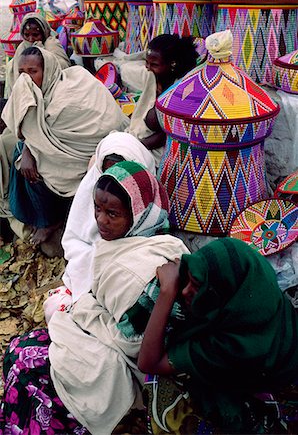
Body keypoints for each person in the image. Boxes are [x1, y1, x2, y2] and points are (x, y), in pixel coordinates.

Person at [0, 161, 189, 434]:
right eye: (98, 209)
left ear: (138, 214)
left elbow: (135, 343)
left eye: (113, 213)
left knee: (29, 371)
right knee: (18, 348)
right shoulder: (143, 241)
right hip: (98, 339)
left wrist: (85, 313)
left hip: (122, 369)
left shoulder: (138, 270)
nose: (101, 220)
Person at [138, 238, 298, 434]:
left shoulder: (233, 345)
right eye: (189, 279)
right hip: (278, 358)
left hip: (276, 385)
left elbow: (149, 363)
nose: (186, 290)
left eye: (198, 286)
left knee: (161, 386)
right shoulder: (255, 288)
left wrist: (166, 291)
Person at [1, 46, 129, 245]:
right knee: (22, 155)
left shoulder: (70, 90)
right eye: (21, 72)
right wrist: (28, 150)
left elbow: (104, 124)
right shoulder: (35, 95)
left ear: (49, 70)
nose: (26, 78)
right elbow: (32, 133)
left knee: (32, 162)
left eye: (33, 72)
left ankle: (51, 221)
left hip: (90, 156)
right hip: (64, 153)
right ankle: (43, 219)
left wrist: (30, 150)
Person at [43, 131, 156, 322]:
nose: (114, 177)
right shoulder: (93, 187)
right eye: (108, 171)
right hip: (86, 276)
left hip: (123, 285)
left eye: (121, 170)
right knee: (55, 308)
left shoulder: (147, 201)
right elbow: (74, 239)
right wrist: (97, 259)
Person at [127, 34, 198, 168]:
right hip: (142, 141)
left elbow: (168, 134)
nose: (148, 68)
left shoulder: (182, 91)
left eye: (154, 64)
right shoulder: (153, 80)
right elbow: (140, 114)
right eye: (146, 62)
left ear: (173, 64)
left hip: (163, 152)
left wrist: (135, 147)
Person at [5, 12, 70, 97]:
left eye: (35, 35)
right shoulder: (21, 47)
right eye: (26, 35)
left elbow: (62, 67)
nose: (30, 39)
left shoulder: (52, 45)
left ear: (44, 33)